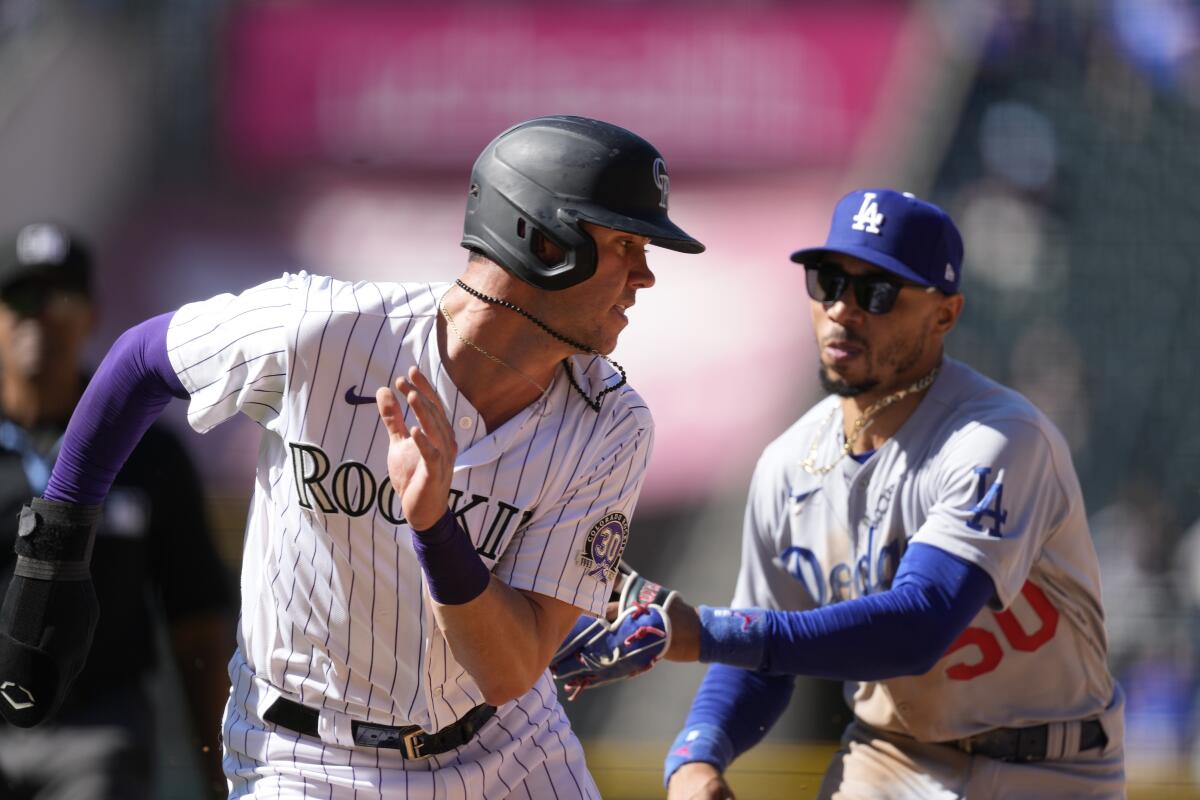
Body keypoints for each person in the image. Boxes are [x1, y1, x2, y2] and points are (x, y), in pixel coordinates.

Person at [0, 116, 704, 797]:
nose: (644, 276)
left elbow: (510, 670)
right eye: (626, 246)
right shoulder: (325, 330)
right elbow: (139, 364)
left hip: (509, 747)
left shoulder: (611, 422)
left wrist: (437, 528)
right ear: (545, 242)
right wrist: (55, 553)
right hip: (309, 759)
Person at [553, 189, 1125, 799]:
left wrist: (706, 631)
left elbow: (920, 623)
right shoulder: (788, 467)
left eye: (877, 291)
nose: (843, 309)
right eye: (828, 281)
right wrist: (698, 756)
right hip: (890, 760)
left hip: (1051, 766)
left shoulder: (999, 438)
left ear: (945, 313)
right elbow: (763, 656)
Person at [0, 222, 233, 798]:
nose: (40, 317)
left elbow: (196, 621)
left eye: (61, 298)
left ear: (92, 314)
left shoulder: (147, 448)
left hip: (98, 724)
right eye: (22, 298)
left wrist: (223, 775)